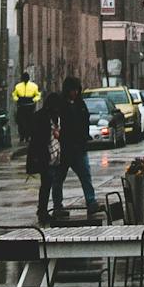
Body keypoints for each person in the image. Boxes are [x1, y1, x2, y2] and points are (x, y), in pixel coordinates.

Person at [59, 75, 101, 219]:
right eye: (73, 90)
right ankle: (58, 206)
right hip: (64, 149)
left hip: (79, 148)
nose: (75, 93)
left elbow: (85, 122)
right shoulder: (61, 105)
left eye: (77, 90)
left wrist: (84, 138)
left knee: (85, 175)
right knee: (59, 178)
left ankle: (91, 202)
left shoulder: (80, 104)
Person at [26, 92, 65, 224]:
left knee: (47, 184)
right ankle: (42, 211)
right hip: (45, 155)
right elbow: (38, 139)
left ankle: (42, 210)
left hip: (53, 155)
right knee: (46, 184)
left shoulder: (54, 117)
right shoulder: (42, 117)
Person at [12, 71, 41, 144]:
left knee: (28, 123)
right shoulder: (18, 86)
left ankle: (26, 137)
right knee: (22, 123)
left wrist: (33, 100)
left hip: (29, 107)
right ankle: (23, 137)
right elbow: (14, 95)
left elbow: (38, 95)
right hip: (22, 107)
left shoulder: (33, 86)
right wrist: (17, 100)